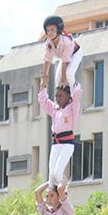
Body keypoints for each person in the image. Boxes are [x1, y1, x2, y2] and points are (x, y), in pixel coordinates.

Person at [38, 46, 82, 186]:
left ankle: (64, 191)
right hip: (56, 144)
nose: (57, 98)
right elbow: (43, 101)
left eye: (61, 96)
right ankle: (52, 196)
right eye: (56, 96)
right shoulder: (55, 109)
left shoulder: (72, 108)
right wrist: (44, 84)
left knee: (57, 173)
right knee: (51, 176)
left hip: (67, 144)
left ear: (68, 97)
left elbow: (77, 93)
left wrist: (70, 80)